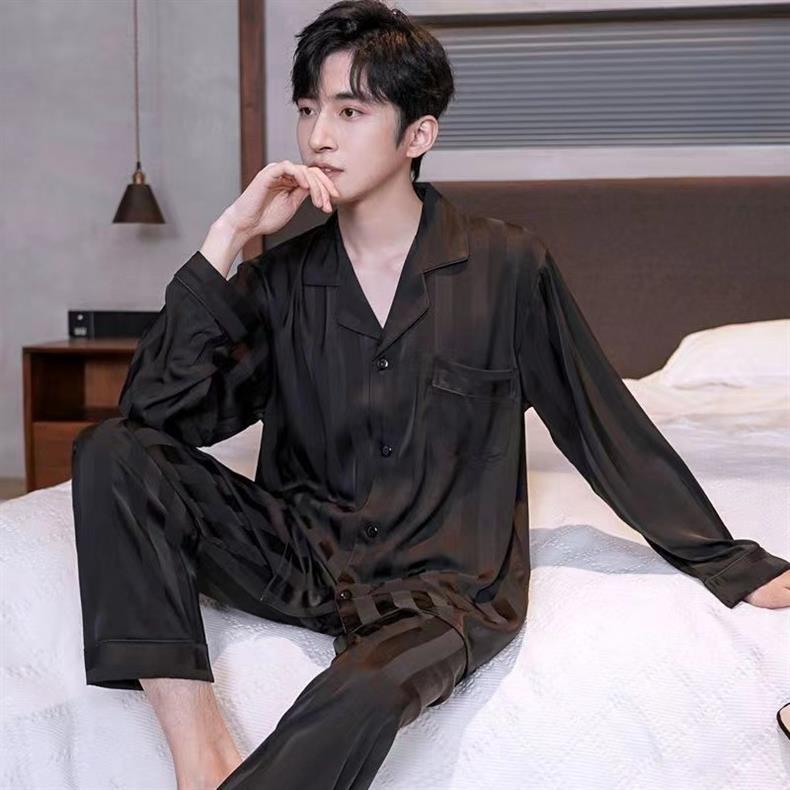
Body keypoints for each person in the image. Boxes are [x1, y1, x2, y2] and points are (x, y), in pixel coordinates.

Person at [70, 2, 790, 788]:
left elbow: (598, 422)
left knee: (363, 693)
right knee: (108, 448)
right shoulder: (280, 281)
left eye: (350, 111)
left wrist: (727, 561)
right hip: (302, 554)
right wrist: (229, 239)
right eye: (308, 110)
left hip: (444, 587)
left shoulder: (506, 267)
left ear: (418, 134)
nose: (317, 137)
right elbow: (154, 420)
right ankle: (200, 754)